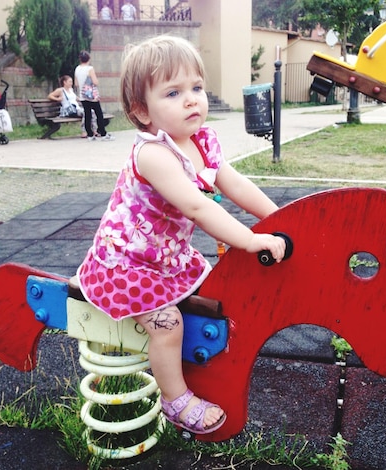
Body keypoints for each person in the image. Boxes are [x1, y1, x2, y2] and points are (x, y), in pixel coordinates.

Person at [76, 36, 286, 435]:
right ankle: (175, 399)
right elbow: (197, 207)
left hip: (166, 257)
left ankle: (202, 366)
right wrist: (249, 238)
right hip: (127, 264)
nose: (192, 100)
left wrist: (279, 217)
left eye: (196, 88)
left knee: (212, 295)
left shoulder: (202, 143)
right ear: (142, 110)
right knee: (168, 322)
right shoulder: (153, 154)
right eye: (173, 92)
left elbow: (236, 184)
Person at [74, 50, 114, 141]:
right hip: (92, 96)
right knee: (99, 114)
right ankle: (103, 133)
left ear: (80, 59)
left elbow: (76, 83)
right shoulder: (89, 69)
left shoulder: (77, 69)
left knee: (87, 114)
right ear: (89, 59)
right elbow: (95, 82)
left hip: (83, 95)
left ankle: (90, 134)